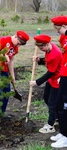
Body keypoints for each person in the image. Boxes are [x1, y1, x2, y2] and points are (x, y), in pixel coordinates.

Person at [0, 30, 29, 121]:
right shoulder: (2, 40)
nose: (19, 45)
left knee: (7, 91)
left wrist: (12, 76)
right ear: (16, 37)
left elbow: (11, 61)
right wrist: (2, 55)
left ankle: (1, 113)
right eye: (19, 42)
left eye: (21, 44)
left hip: (4, 70)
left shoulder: (15, 48)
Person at [29, 34, 63, 133]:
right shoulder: (48, 49)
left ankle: (50, 125)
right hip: (52, 79)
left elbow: (50, 73)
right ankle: (57, 116)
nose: (41, 49)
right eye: (39, 47)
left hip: (57, 80)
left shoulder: (54, 54)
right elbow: (47, 61)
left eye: (42, 47)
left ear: (47, 44)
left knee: (52, 103)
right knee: (46, 98)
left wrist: (36, 82)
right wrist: (39, 60)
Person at [50, 15, 67, 148]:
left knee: (65, 106)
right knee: (60, 104)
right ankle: (63, 132)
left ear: (65, 26)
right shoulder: (64, 38)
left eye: (58, 29)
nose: (57, 32)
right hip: (64, 74)